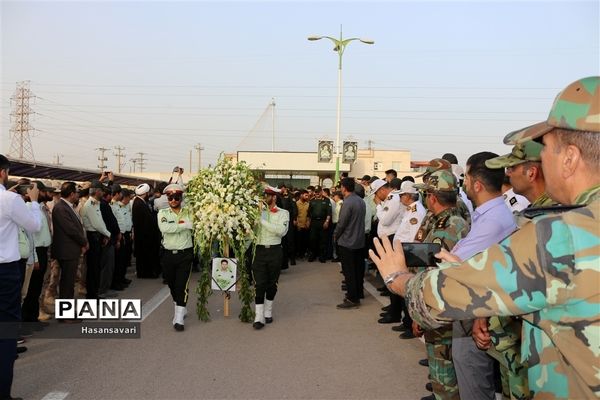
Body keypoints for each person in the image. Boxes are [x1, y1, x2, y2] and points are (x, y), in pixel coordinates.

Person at [369, 76, 600, 399]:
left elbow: (437, 298)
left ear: (570, 158)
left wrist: (398, 278)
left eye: (546, 148)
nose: (542, 160)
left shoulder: (563, 235)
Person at [411, 170, 470, 400]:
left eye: (425, 195)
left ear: (432, 198)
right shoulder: (450, 219)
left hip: (439, 305)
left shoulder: (446, 226)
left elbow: (432, 273)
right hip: (446, 303)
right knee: (444, 363)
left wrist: (419, 313)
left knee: (443, 366)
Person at [0, 154, 41, 400]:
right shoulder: (10, 199)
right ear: (3, 173)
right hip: (4, 272)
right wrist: (33, 202)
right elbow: (33, 225)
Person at [157, 184, 194, 331]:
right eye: (170, 197)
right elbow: (165, 229)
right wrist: (184, 225)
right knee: (172, 284)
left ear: (181, 198)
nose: (173, 200)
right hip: (168, 254)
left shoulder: (188, 212)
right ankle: (179, 305)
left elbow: (194, 224)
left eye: (176, 197)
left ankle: (178, 318)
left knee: (181, 285)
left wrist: (184, 223)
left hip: (185, 253)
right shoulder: (162, 213)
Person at [252, 186, 289, 330]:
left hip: (274, 250)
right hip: (259, 250)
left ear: (273, 197)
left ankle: (268, 311)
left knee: (272, 284)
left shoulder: (283, 213)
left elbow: (280, 231)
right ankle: (259, 316)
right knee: (259, 283)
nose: (263, 198)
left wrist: (262, 221)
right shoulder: (257, 212)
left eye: (266, 195)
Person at [51, 182, 88, 313]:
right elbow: (71, 230)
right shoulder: (61, 208)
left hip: (70, 250)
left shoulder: (67, 206)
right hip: (66, 251)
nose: (77, 196)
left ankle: (67, 312)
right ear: (72, 194)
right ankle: (65, 314)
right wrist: (84, 242)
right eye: (76, 193)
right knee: (67, 284)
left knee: (69, 282)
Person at [334, 178, 366, 309]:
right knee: (358, 269)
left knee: (349, 271)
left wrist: (336, 235)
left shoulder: (347, 202)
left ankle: (352, 298)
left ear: (344, 188)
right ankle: (359, 292)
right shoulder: (361, 201)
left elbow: (342, 223)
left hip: (347, 241)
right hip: (359, 240)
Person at [131, 183, 161, 278]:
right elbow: (146, 221)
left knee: (144, 255)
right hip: (143, 235)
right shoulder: (139, 204)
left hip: (143, 234)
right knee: (144, 255)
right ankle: (145, 273)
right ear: (146, 193)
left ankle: (145, 272)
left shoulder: (140, 202)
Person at [307, 186, 332, 263]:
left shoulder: (327, 200)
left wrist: (327, 221)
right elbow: (309, 213)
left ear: (321, 192)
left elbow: (329, 212)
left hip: (323, 222)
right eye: (315, 192)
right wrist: (308, 221)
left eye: (318, 191)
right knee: (312, 239)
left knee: (323, 240)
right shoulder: (312, 201)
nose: (317, 193)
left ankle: (322, 256)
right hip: (314, 222)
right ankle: (312, 255)